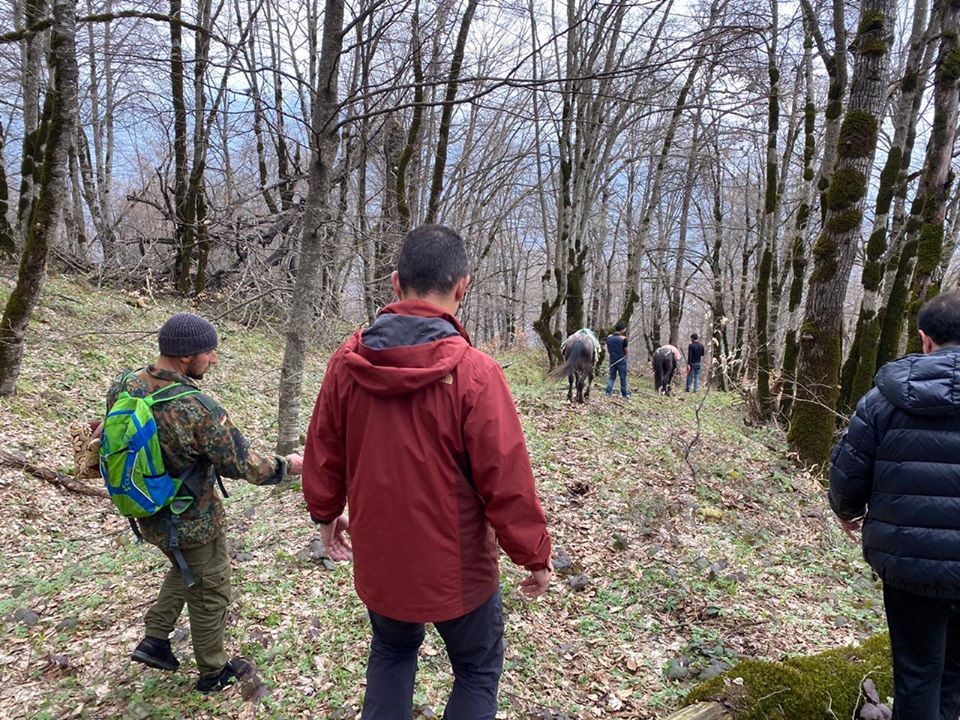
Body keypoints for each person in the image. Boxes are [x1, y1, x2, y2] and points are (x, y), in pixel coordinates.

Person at [302, 224, 553, 720]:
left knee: (392, 653)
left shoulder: (346, 366)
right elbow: (506, 481)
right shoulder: (476, 375)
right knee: (477, 671)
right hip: (458, 572)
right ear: (463, 287)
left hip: (381, 563)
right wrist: (535, 555)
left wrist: (326, 513)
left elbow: (324, 453)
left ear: (396, 283)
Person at [111, 312, 303, 692]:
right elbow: (242, 463)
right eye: (209, 352)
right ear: (186, 356)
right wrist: (290, 466)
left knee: (184, 567)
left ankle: (155, 639)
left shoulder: (126, 384)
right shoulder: (197, 407)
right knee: (210, 589)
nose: (213, 359)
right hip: (192, 517)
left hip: (148, 511)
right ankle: (214, 672)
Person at [829, 292, 960, 720]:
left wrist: (847, 511)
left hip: (910, 563)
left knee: (917, 673)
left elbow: (849, 469)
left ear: (924, 339)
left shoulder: (884, 399)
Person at [605, 322, 630, 397]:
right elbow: (626, 350)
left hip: (612, 360)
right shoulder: (623, 339)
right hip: (622, 361)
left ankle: (608, 392)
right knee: (623, 378)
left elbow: (608, 348)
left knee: (612, 377)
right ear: (622, 330)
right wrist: (626, 355)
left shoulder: (609, 337)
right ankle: (624, 394)